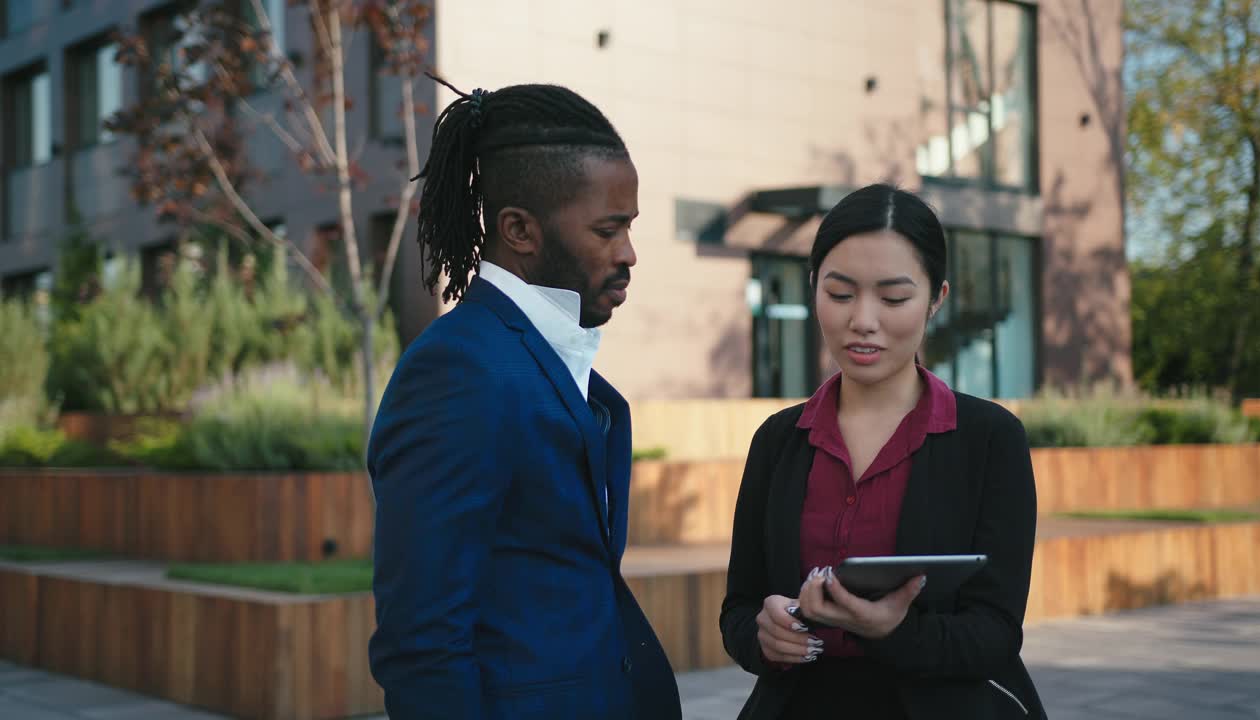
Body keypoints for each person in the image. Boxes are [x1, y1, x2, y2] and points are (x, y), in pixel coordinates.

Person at [367, 75, 681, 720]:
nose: (629, 254)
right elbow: (421, 638)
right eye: (607, 230)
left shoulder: (539, 358)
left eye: (630, 227)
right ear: (518, 229)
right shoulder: (458, 371)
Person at [719, 184, 1045, 719]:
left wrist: (896, 631)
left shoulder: (989, 439)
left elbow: (996, 631)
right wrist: (764, 636)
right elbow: (740, 607)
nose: (863, 320)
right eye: (840, 294)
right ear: (813, 287)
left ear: (936, 299)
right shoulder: (778, 440)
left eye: (893, 298)